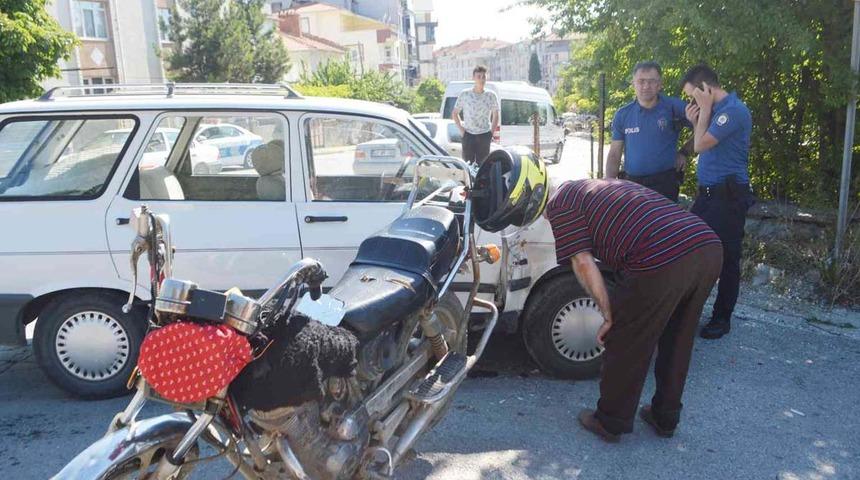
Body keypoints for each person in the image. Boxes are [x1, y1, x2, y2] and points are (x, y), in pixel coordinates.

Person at [546, 179, 722, 442]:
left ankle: (610, 421)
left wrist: (608, 315)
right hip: (707, 246)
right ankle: (665, 417)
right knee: (679, 336)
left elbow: (582, 262)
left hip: (663, 255)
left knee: (627, 338)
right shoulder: (595, 187)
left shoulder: (559, 204)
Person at [681, 64, 754, 340]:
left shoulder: (733, 111)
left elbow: (700, 146)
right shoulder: (714, 111)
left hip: (728, 197)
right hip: (708, 196)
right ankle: (688, 310)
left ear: (705, 89)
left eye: (693, 96)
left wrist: (703, 113)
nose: (691, 103)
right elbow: (699, 142)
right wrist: (697, 119)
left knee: (727, 259)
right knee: (691, 250)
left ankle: (722, 318)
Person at [606, 61, 694, 201]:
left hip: (665, 184)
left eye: (651, 81)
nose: (646, 86)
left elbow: (705, 125)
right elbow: (614, 154)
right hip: (633, 186)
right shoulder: (623, 114)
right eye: (641, 81)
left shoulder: (674, 107)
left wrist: (684, 152)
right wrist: (608, 187)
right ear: (633, 83)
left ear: (660, 84)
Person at [452, 65, 500, 165]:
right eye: (479, 77)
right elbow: (455, 113)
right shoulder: (465, 94)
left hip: (484, 134)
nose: (481, 79)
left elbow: (496, 114)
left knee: (483, 166)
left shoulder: (491, 95)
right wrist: (462, 130)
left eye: (484, 77)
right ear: (473, 78)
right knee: (467, 165)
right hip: (468, 134)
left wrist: (490, 133)